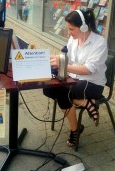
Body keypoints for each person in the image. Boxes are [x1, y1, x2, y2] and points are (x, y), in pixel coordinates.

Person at [43, 9, 108, 147]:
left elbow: (87, 70)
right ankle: (85, 103)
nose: (69, 33)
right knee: (47, 89)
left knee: (62, 93)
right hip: (74, 79)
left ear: (84, 27)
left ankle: (75, 130)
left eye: (71, 29)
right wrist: (52, 58)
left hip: (92, 83)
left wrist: (63, 65)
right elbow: (68, 59)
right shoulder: (73, 39)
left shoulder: (99, 43)